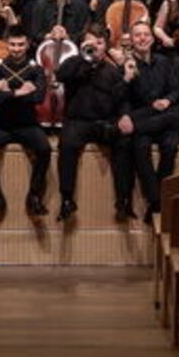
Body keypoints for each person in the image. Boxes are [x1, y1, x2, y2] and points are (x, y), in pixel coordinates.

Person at [54, 25, 130, 222]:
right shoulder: (73, 63)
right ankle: (67, 199)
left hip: (103, 122)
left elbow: (121, 99)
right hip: (77, 121)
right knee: (66, 145)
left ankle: (123, 200)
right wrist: (82, 58)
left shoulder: (112, 71)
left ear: (105, 46)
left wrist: (124, 115)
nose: (95, 46)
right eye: (90, 42)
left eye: (99, 42)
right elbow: (60, 75)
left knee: (124, 143)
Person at [0, 28, 52, 220]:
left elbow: (39, 97)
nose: (16, 49)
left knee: (44, 149)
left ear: (27, 45)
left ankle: (34, 195)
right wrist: (19, 93)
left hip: (27, 124)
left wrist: (3, 92)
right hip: (1, 125)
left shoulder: (36, 69)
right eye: (12, 44)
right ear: (7, 45)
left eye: (20, 45)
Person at [118, 20, 179, 221]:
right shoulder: (127, 65)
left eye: (146, 34)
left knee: (171, 145)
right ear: (131, 40)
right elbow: (122, 97)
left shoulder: (164, 62)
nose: (142, 38)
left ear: (152, 39)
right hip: (142, 121)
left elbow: (177, 89)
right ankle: (156, 202)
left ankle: (156, 200)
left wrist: (168, 100)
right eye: (137, 35)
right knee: (140, 148)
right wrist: (127, 79)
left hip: (164, 118)